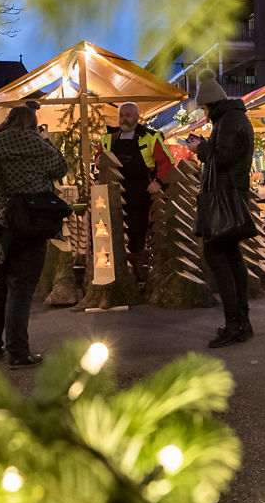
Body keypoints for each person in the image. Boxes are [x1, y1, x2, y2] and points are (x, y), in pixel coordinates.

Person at [0, 105, 67, 368]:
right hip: (28, 220)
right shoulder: (38, 145)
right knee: (21, 289)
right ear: (33, 124)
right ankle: (18, 351)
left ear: (8, 121)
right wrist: (46, 141)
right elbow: (60, 167)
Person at [186, 76, 255, 348]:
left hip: (225, 196)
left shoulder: (229, 121)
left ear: (211, 104)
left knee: (216, 253)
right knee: (230, 254)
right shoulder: (234, 119)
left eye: (203, 109)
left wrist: (199, 148)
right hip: (230, 194)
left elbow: (223, 158)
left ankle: (235, 323)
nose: (203, 114)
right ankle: (241, 321)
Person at [95, 101, 174, 282]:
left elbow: (167, 162)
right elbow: (99, 157)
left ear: (137, 117)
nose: (124, 118)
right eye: (121, 115)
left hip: (139, 193)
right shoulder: (109, 138)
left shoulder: (150, 137)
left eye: (128, 115)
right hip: (113, 193)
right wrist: (99, 161)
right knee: (112, 231)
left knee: (137, 232)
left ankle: (139, 272)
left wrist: (158, 182)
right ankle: (116, 273)